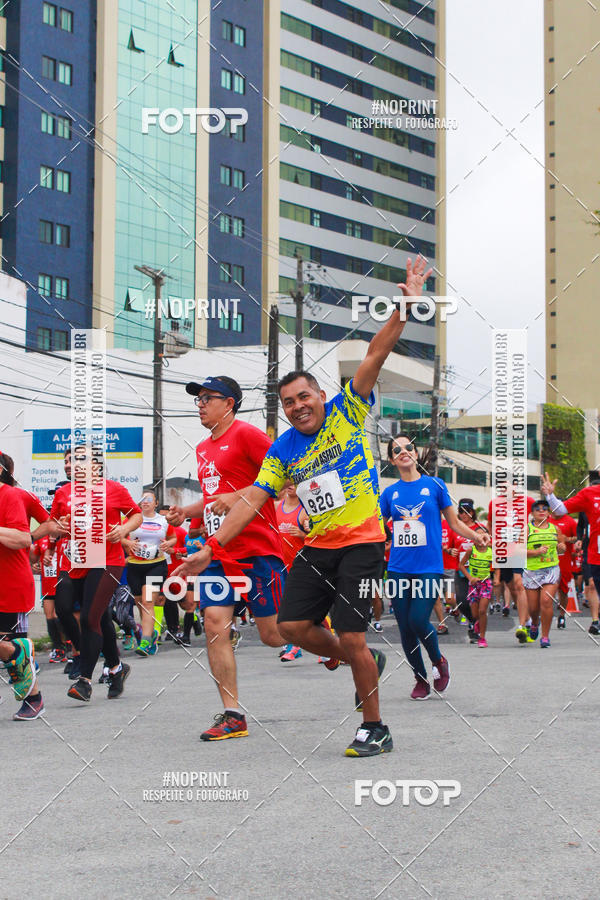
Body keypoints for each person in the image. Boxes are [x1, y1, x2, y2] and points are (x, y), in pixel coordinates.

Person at [174, 255, 434, 757]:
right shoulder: (283, 450)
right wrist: (210, 547)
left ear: (319, 394)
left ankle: (374, 726)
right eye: (288, 402)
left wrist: (404, 307)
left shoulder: (348, 410)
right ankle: (364, 662)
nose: (298, 406)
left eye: (303, 396)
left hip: (361, 541)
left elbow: (376, 355)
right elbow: (252, 498)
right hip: (317, 548)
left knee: (353, 636)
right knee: (290, 629)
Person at [167, 375, 288, 743]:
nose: (200, 404)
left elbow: (280, 480)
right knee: (214, 622)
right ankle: (233, 714)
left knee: (273, 635)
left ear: (229, 403)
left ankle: (335, 643)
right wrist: (185, 511)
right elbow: (213, 497)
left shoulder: (248, 436)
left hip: (257, 547)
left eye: (208, 398)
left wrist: (236, 498)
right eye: (198, 399)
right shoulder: (203, 448)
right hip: (217, 553)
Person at [380, 438, 490, 699]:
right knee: (405, 628)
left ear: (416, 454)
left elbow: (454, 523)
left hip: (429, 566)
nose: (403, 452)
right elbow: (376, 528)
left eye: (408, 448)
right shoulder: (389, 494)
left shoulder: (435, 485)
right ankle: (420, 680)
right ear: (392, 460)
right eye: (397, 450)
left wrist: (477, 537)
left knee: (418, 619)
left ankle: (438, 661)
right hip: (398, 568)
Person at [52, 445, 142, 701]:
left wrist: (123, 530)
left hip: (107, 560)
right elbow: (54, 524)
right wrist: (57, 530)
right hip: (77, 562)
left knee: (90, 618)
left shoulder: (113, 489)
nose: (74, 464)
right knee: (79, 611)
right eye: (71, 460)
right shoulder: (63, 493)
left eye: (81, 459)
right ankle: (116, 668)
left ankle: (84, 681)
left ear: (96, 465)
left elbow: (135, 515)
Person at [0, 452, 43, 720]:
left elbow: (21, 538)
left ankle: (34, 699)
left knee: (15, 656)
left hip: (10, 584)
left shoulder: (10, 496)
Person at [542, 472, 600, 636]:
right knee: (593, 586)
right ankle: (596, 620)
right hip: (596, 554)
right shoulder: (590, 493)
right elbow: (560, 508)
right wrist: (550, 495)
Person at [121, 490, 177, 656]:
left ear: (156, 503)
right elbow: (120, 537)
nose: (145, 502)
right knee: (140, 603)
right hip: (134, 565)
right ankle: (150, 634)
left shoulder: (163, 520)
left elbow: (173, 537)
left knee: (147, 602)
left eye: (149, 499)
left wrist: (168, 544)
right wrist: (128, 543)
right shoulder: (132, 519)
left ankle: (145, 641)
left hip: (156, 565)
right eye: (143, 499)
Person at [488, 494, 536, 636]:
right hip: (504, 551)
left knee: (519, 584)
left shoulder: (527, 501)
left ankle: (522, 625)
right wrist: (493, 540)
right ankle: (527, 619)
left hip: (520, 550)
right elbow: (490, 524)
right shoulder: (494, 503)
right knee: (511, 587)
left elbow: (540, 519)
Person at [523, 498, 566, 647]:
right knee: (533, 608)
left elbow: (562, 547)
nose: (541, 511)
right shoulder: (527, 529)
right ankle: (535, 622)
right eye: (538, 509)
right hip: (531, 571)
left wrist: (561, 548)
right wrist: (535, 552)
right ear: (532, 513)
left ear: (548, 513)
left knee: (546, 601)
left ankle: (545, 636)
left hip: (551, 569)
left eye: (544, 509)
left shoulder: (555, 529)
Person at [276, 482, 310, 661]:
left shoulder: (305, 511)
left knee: (307, 610)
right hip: (281, 565)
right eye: (288, 481)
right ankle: (293, 646)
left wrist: (303, 534)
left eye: (295, 483)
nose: (290, 485)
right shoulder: (276, 507)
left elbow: (317, 538)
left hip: (302, 566)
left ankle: (323, 648)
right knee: (285, 608)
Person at [31, 535, 66, 663]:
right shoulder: (41, 539)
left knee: (60, 615)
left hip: (62, 582)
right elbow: (34, 558)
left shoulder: (62, 536)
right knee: (49, 616)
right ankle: (58, 648)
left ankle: (67, 643)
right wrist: (35, 565)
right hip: (47, 584)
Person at [459, 537, 493, 647]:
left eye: (484, 538)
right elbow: (461, 565)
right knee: (475, 614)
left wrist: (496, 578)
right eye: (478, 538)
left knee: (482, 610)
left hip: (486, 583)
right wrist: (470, 577)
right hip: (473, 585)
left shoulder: (491, 550)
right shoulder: (470, 550)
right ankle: (477, 622)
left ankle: (482, 638)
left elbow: (497, 566)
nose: (481, 541)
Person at [549, 510, 579, 629]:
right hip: (548, 560)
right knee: (547, 588)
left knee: (563, 589)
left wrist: (568, 540)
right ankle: (546, 615)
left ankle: (561, 615)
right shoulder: (546, 520)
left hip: (564, 561)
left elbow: (577, 538)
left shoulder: (570, 521)